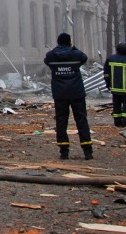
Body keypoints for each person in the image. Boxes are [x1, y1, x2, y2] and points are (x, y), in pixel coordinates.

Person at [44, 32, 93, 160]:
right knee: (81, 120)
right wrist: (73, 48)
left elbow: (46, 61)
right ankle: (87, 151)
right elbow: (84, 57)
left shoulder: (51, 55)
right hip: (76, 92)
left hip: (60, 94)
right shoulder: (76, 55)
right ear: (70, 42)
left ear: (58, 42)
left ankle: (64, 151)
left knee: (61, 121)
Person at [104, 42, 126, 127]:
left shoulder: (110, 59)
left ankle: (117, 122)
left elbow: (106, 74)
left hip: (115, 88)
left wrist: (107, 84)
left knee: (116, 105)